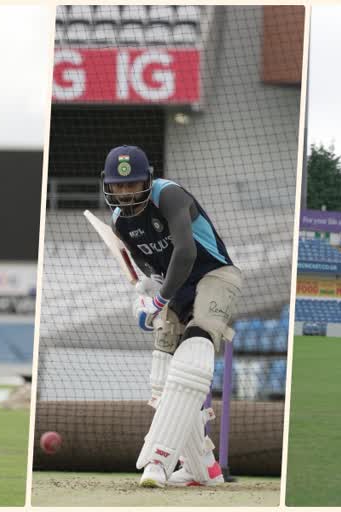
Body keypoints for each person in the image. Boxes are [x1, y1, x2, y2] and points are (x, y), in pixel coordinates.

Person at [102, 145, 243, 488]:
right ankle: (202, 469)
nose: (125, 192)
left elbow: (185, 251)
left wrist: (159, 300)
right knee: (162, 377)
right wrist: (150, 293)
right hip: (177, 288)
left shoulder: (170, 195)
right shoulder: (120, 223)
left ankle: (158, 460)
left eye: (132, 184)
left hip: (215, 275)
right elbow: (157, 271)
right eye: (118, 186)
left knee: (195, 355)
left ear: (147, 180)